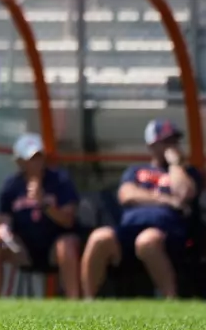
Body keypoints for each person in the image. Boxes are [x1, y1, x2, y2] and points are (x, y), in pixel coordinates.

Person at [81, 119, 203, 299]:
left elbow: (185, 193)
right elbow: (126, 194)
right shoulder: (136, 171)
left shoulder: (186, 172)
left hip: (167, 234)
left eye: (174, 141)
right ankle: (88, 301)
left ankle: (172, 298)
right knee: (99, 238)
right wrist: (166, 200)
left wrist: (176, 165)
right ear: (152, 145)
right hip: (129, 230)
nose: (173, 146)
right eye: (166, 142)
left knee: (147, 241)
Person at [0, 133, 82, 298]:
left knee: (67, 245)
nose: (36, 163)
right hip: (22, 248)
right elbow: (2, 220)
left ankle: (75, 302)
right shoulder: (12, 185)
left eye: (38, 157)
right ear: (20, 162)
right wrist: (3, 232)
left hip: (54, 246)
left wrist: (43, 203)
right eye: (30, 159)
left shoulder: (60, 180)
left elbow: (68, 220)